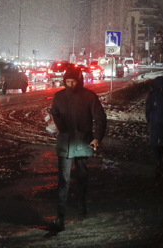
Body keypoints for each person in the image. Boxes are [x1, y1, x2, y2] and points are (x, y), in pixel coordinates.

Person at [48, 66, 107, 231]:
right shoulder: (59, 96)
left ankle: (82, 206)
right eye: (68, 81)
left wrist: (97, 137)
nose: (71, 84)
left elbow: (100, 117)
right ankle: (60, 218)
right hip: (65, 144)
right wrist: (55, 119)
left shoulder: (89, 96)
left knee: (82, 177)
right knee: (63, 181)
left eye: (74, 81)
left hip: (82, 142)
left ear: (79, 80)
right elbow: (56, 117)